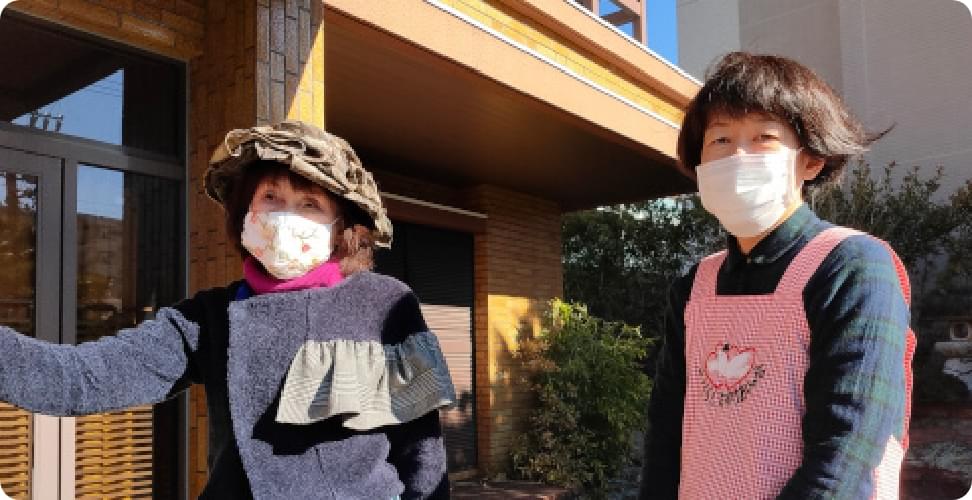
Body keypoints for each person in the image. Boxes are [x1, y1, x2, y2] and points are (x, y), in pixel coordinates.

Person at [0, 121, 456, 499]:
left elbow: (423, 452)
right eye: (270, 198)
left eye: (310, 204)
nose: (285, 217)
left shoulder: (386, 302)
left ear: (341, 228)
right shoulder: (208, 317)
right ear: (245, 214)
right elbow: (82, 377)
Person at [638, 52, 915, 499]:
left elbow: (845, 456)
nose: (737, 155)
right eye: (720, 138)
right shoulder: (694, 286)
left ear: (811, 161)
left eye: (763, 137)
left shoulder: (852, 266)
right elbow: (665, 436)